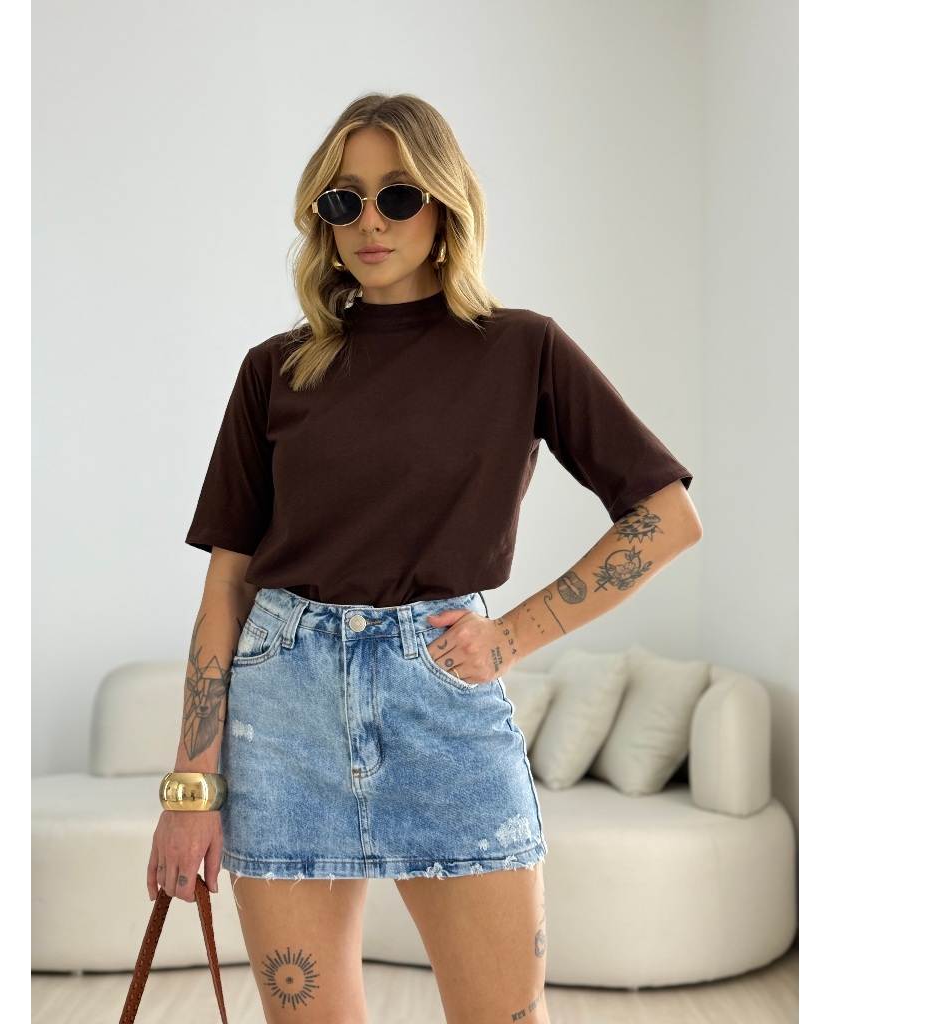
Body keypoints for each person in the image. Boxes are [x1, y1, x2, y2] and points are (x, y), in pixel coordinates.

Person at [148, 92, 702, 1024]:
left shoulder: (521, 349)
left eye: (398, 196)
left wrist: (512, 636)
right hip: (284, 711)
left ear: (445, 205)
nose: (371, 221)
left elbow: (665, 515)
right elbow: (227, 587)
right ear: (323, 220)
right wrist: (190, 789)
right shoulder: (275, 369)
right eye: (345, 200)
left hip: (441, 701)